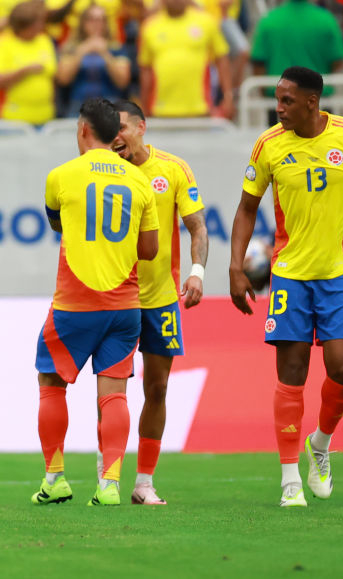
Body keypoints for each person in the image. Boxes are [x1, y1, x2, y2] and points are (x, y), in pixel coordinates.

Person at [228, 66, 343, 507]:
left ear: (312, 101)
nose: (278, 107)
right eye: (276, 98)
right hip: (289, 273)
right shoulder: (268, 146)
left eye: (286, 100)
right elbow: (246, 209)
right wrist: (235, 266)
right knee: (292, 373)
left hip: (339, 271)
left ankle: (320, 445)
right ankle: (290, 478)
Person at [32, 97, 159, 507]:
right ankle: (110, 484)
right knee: (114, 394)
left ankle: (55, 478)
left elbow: (58, 223)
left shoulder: (61, 176)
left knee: (51, 384)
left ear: (84, 130)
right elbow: (150, 248)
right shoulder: (140, 181)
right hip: (125, 306)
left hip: (74, 303)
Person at [108, 100, 208, 504]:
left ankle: (144, 482)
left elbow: (197, 226)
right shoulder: (103, 173)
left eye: (122, 129)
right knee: (111, 390)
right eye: (109, 130)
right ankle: (108, 475)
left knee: (158, 387)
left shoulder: (173, 169)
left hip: (162, 299)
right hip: (115, 297)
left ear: (141, 127)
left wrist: (197, 273)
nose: (116, 137)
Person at [250, 0, 343, 122]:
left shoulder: (269, 21)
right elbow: (338, 58)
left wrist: (264, 90)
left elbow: (258, 62)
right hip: (317, 100)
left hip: (280, 105)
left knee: (279, 145)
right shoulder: (326, 20)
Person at [138, 0, 232, 120]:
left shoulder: (206, 22)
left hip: (200, 109)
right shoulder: (150, 27)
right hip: (160, 111)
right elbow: (145, 70)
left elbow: (222, 60)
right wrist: (144, 106)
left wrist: (227, 96)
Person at [0, 0, 57, 126]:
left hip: (45, 118)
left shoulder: (44, 40)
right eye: (37, 23)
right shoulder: (3, 43)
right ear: (24, 25)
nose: (41, 26)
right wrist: (25, 71)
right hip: (12, 120)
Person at [56, 4, 131, 115]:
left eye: (101, 20)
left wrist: (105, 54)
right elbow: (63, 79)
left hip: (110, 108)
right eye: (91, 19)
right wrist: (82, 51)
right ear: (83, 23)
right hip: (78, 107)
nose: (96, 24)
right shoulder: (70, 49)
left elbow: (123, 81)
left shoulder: (116, 49)